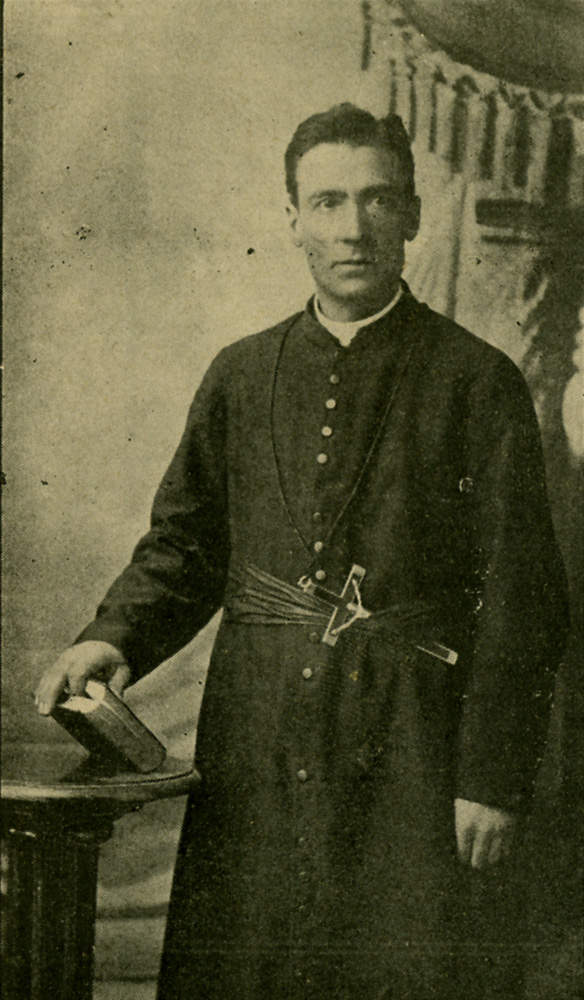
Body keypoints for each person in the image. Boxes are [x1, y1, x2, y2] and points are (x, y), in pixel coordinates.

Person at [36, 104, 569, 999]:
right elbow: (185, 545)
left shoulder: (478, 381)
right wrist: (113, 636)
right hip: (260, 729)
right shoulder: (241, 373)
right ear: (291, 219)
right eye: (326, 202)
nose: (352, 227)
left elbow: (522, 596)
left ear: (411, 215)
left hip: (412, 741)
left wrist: (492, 778)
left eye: (375, 200)